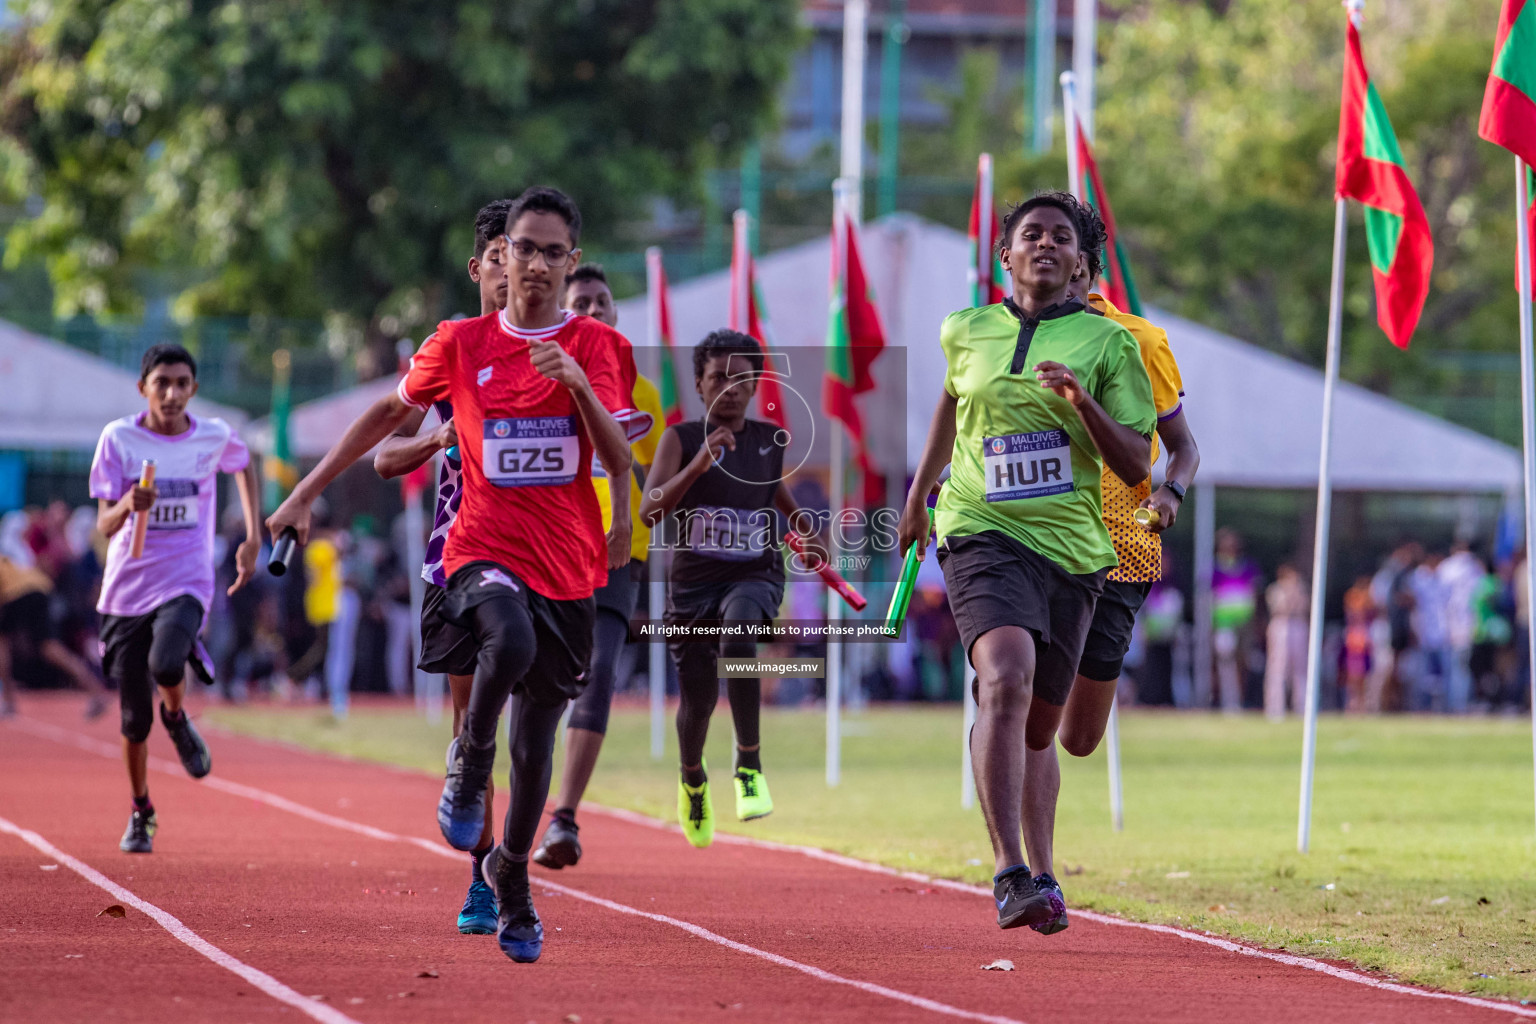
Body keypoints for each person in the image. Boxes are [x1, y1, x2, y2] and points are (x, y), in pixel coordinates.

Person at [269, 186, 634, 964]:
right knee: (505, 638)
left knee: (536, 745)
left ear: (572, 262)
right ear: (500, 254)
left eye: (550, 251)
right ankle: (469, 759)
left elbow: (615, 458)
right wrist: (304, 492)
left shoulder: (599, 351)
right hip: (477, 551)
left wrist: (572, 381)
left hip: (567, 568)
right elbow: (382, 423)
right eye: (522, 247)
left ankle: (511, 876)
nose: (534, 263)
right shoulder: (461, 343)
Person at [897, 191, 1156, 931]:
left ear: (1082, 264)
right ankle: (1010, 871)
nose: (1044, 244)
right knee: (1002, 679)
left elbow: (1136, 462)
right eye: (1030, 235)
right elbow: (952, 404)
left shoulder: (1111, 347)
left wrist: (1081, 402)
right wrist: (919, 496)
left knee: (1042, 727)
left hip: (1073, 551)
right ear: (1005, 256)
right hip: (979, 529)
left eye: (1060, 237)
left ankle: (1044, 871)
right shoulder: (966, 329)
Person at [1016, 233, 1199, 934]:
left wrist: (1171, 496)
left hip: (1120, 552)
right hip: (1032, 543)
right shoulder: (1011, 335)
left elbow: (1183, 448)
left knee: (1079, 737)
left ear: (1087, 273)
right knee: (1024, 705)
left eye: (1067, 266)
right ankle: (1038, 873)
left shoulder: (1137, 341)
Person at [373, 199, 512, 935]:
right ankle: (484, 878)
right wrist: (439, 441)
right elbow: (383, 453)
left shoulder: (543, 356)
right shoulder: (453, 356)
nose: (511, 270)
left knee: (531, 724)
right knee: (472, 729)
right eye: (499, 256)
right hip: (455, 564)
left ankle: (509, 863)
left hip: (539, 560)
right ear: (479, 266)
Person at [638, 329, 824, 849]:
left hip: (754, 574)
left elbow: (773, 490)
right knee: (697, 703)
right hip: (694, 589)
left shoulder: (767, 440)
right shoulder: (681, 439)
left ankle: (749, 762)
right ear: (700, 384)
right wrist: (698, 465)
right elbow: (650, 510)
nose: (731, 386)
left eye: (742, 377)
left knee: (739, 636)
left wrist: (806, 533)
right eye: (720, 376)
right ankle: (693, 777)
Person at [89, 344, 261, 853]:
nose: (171, 393)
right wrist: (126, 504)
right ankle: (141, 809)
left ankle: (178, 716)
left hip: (187, 578)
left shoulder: (212, 435)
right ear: (143, 387)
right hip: (125, 590)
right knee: (132, 721)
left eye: (181, 383)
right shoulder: (118, 439)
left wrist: (252, 535)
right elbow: (101, 522)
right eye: (161, 382)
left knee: (167, 662)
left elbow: (245, 463)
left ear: (194, 389)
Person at [534, 263, 663, 870]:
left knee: (600, 674)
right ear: (563, 310)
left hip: (617, 549)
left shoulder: (641, 392)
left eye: (601, 302)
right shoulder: (534, 372)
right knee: (540, 677)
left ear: (614, 315)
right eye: (579, 301)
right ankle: (517, 798)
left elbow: (654, 477)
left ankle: (564, 818)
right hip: (546, 547)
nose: (591, 310)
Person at [0, 553, 110, 718]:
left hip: (19, 592)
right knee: (48, 647)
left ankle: (8, 701)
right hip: (39, 587)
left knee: (8, 644)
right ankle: (95, 690)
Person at [1210, 529, 1259, 711]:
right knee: (1224, 662)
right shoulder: (1214, 567)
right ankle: (1226, 699)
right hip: (1223, 624)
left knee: (1242, 661)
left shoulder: (1247, 566)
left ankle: (1238, 698)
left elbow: (1254, 593)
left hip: (1244, 623)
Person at [1263, 563, 1309, 719]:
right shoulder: (1275, 589)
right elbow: (1280, 607)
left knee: (1300, 669)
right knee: (1277, 668)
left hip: (1298, 625)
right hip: (1281, 625)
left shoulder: (1301, 589)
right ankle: (1275, 708)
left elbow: (1303, 607)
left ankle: (1301, 707)